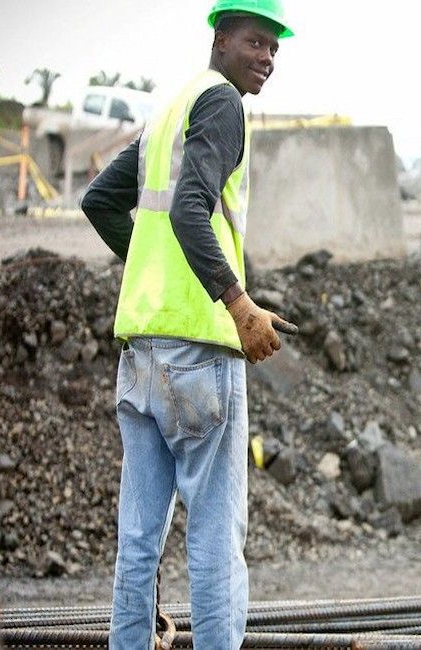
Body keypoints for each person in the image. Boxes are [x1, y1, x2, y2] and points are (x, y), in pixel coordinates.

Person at [80, 1, 296, 647]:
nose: (266, 58)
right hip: (199, 349)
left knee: (139, 536)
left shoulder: (170, 108)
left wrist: (154, 269)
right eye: (255, 43)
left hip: (141, 345)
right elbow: (191, 209)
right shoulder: (222, 103)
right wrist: (236, 304)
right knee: (213, 532)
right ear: (221, 39)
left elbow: (100, 201)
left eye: (275, 49)